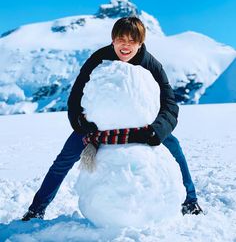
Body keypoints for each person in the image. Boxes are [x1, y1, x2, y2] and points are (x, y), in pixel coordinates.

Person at [22, 16, 203, 221]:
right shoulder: (98, 59)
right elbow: (76, 96)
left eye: (132, 41)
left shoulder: (151, 65)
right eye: (121, 39)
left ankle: (190, 201)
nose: (125, 46)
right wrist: (81, 123)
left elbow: (169, 104)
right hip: (98, 126)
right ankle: (37, 208)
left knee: (175, 148)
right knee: (63, 161)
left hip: (141, 127)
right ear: (113, 40)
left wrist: (158, 129)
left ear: (140, 43)